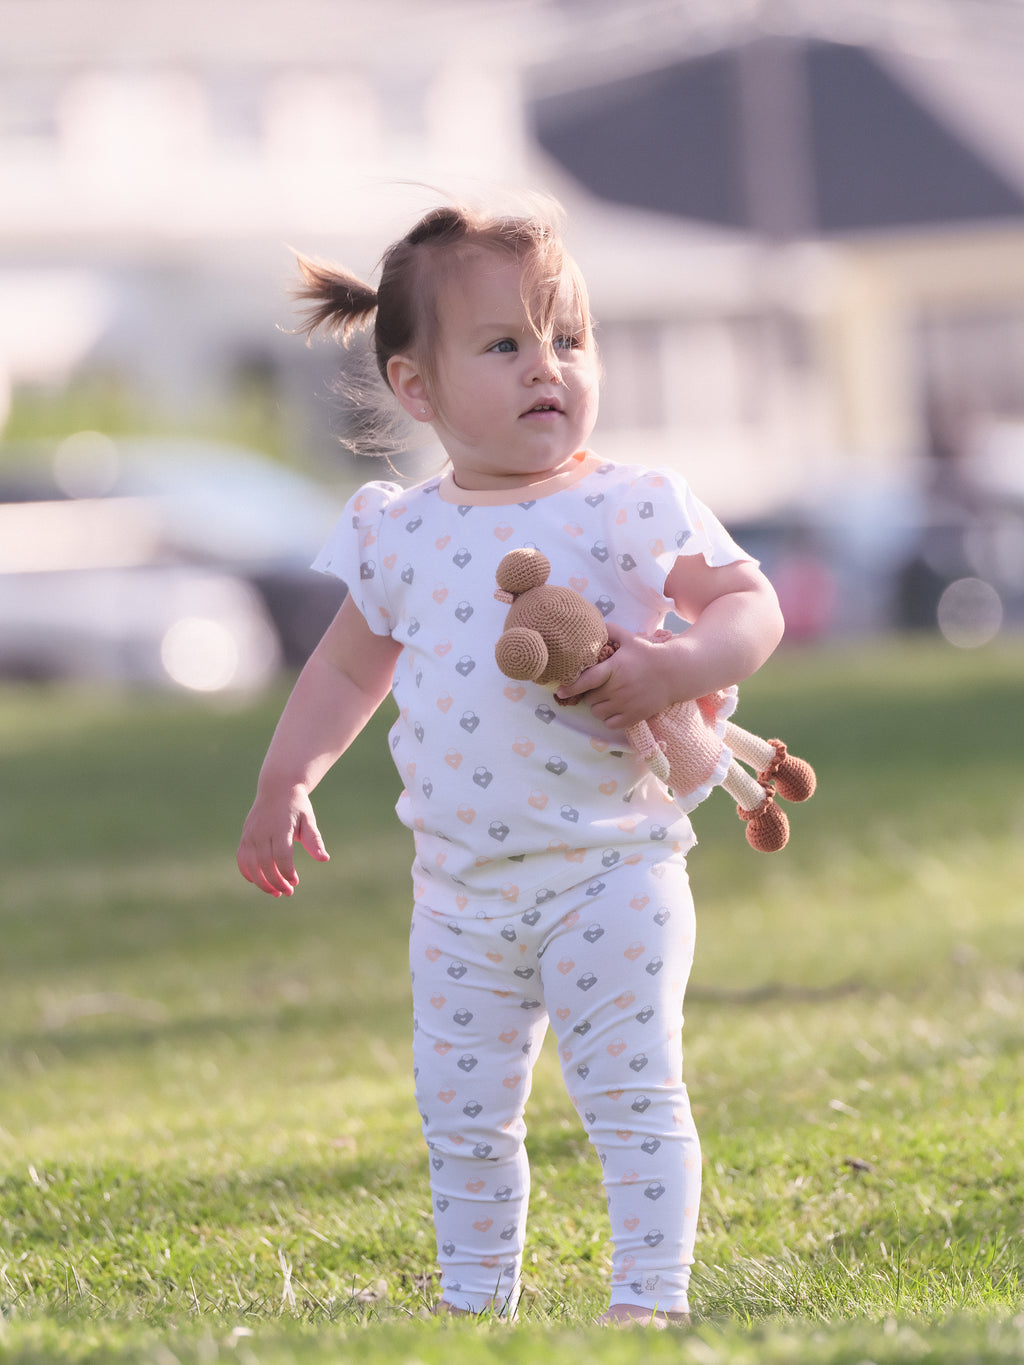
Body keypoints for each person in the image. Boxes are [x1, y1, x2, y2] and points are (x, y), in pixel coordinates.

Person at [237, 202, 785, 1326]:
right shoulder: (399, 533)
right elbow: (345, 674)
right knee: (463, 1115)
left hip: (611, 871)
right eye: (506, 345)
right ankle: (473, 1304)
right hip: (457, 895)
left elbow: (747, 604)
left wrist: (679, 667)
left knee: (631, 1093)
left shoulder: (630, 504)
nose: (549, 368)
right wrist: (285, 778)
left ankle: (649, 1300)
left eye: (568, 339)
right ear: (416, 388)